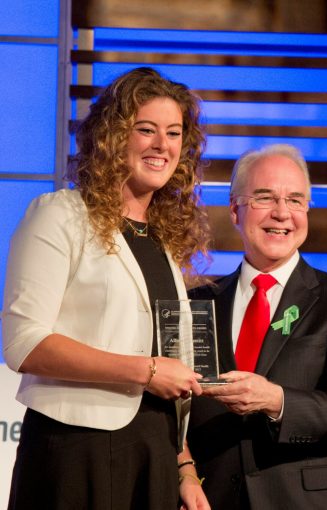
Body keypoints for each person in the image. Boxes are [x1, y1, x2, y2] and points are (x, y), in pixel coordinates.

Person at [2, 67, 211, 510]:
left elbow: (170, 371)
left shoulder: (161, 240)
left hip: (152, 455)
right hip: (77, 452)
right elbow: (24, 344)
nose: (162, 145)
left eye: (174, 133)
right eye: (146, 130)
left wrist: (183, 465)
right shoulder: (59, 215)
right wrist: (147, 371)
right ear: (113, 136)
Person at [186, 144, 327, 509]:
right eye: (264, 197)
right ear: (234, 210)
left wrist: (276, 400)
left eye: (295, 200)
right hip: (210, 499)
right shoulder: (196, 304)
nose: (281, 213)